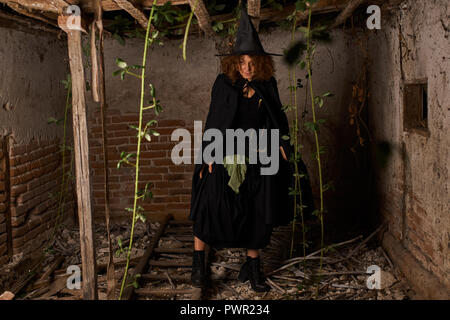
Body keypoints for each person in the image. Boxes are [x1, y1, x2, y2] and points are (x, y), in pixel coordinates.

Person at [188, 3, 314, 293]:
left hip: (259, 155)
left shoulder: (267, 85)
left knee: (260, 206)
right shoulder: (223, 84)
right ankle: (197, 261)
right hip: (225, 150)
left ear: (260, 62)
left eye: (252, 61)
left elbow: (276, 118)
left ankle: (252, 267)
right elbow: (215, 120)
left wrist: (282, 145)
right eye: (241, 61)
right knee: (210, 201)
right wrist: (209, 153)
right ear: (234, 62)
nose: (246, 67)